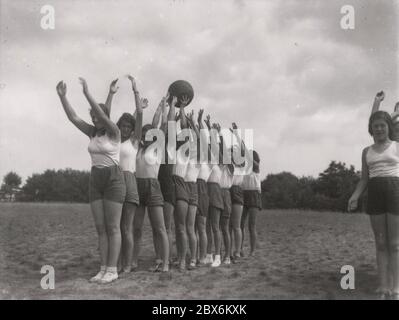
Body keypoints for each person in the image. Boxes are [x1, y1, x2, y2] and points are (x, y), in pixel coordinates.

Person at [56, 78, 126, 284]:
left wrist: (87, 93)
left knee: (113, 227)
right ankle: (103, 268)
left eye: (97, 115)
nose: (95, 119)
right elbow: (73, 117)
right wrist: (63, 97)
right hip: (95, 179)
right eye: (92, 116)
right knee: (100, 228)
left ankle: (113, 270)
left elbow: (103, 114)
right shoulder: (92, 132)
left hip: (113, 179)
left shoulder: (115, 132)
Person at [348, 111, 399, 300]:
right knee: (380, 243)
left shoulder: (397, 146)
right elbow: (364, 179)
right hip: (375, 195)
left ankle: (396, 289)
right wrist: (354, 196)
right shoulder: (366, 151)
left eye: (382, 125)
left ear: (389, 127)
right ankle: (383, 287)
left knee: (394, 245)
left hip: (395, 193)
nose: (379, 128)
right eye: (375, 125)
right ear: (371, 129)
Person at [103, 75, 144, 273]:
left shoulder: (134, 142)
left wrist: (135, 90)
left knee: (126, 227)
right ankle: (115, 264)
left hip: (129, 181)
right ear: (119, 126)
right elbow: (104, 116)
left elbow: (140, 117)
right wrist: (110, 93)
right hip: (112, 181)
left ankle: (127, 265)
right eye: (124, 125)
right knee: (114, 228)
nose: (126, 129)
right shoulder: (114, 140)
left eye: (129, 126)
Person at [133, 97, 170, 273]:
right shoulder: (137, 149)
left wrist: (161, 107)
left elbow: (161, 126)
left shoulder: (157, 149)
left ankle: (164, 262)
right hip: (137, 188)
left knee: (160, 228)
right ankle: (132, 261)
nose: (148, 137)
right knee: (137, 228)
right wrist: (142, 108)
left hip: (153, 188)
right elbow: (136, 127)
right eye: (144, 134)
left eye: (151, 135)